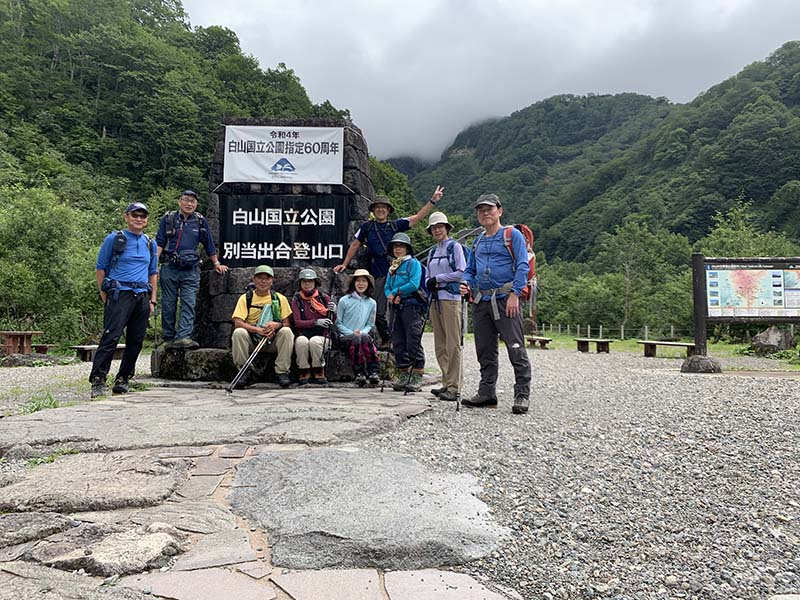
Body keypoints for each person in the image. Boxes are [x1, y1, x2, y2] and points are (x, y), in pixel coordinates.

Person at [333, 186, 444, 348]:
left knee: (386, 311)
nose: (380, 210)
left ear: (388, 210)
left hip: (393, 273)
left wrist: (433, 200)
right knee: (378, 310)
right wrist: (345, 263)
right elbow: (356, 244)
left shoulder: (394, 226)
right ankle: (387, 339)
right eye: (378, 207)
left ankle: (390, 342)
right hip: (374, 273)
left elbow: (417, 217)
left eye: (383, 208)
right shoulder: (367, 227)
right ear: (373, 210)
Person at [461, 193, 531, 414]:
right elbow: (470, 270)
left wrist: (515, 294)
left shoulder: (512, 235)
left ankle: (522, 395)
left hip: (505, 299)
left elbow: (522, 266)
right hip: (481, 301)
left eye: (489, 209)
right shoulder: (478, 241)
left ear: (499, 211)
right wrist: (465, 283)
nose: (485, 213)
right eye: (481, 210)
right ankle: (487, 393)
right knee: (485, 349)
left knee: (515, 347)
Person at [90, 202, 159, 398]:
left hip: (142, 296)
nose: (139, 219)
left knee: (136, 340)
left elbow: (153, 272)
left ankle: (123, 378)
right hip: (120, 294)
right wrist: (105, 295)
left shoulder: (149, 243)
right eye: (135, 215)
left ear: (146, 220)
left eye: (142, 216)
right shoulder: (114, 239)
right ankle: (98, 379)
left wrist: (152, 299)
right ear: (126, 217)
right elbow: (100, 268)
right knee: (111, 337)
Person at [156, 190, 228, 349]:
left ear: (196, 204)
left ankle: (183, 336)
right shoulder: (168, 219)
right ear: (179, 201)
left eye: (193, 202)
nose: (189, 204)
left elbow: (209, 244)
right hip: (169, 267)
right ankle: (168, 338)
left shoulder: (200, 221)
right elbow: (160, 242)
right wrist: (153, 264)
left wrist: (216, 263)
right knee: (169, 303)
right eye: (186, 200)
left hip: (191, 269)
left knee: (189, 302)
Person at [425, 212, 466, 402]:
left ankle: (455, 386)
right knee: (440, 343)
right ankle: (446, 382)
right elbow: (427, 275)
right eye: (434, 227)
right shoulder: (432, 252)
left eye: (440, 226)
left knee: (453, 343)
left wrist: (438, 279)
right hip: (435, 299)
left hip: (451, 298)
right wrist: (429, 282)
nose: (437, 230)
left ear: (447, 228)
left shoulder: (454, 247)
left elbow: (461, 272)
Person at [230, 265, 294, 388]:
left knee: (287, 332)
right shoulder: (246, 298)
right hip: (252, 340)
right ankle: (244, 370)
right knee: (239, 332)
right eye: (260, 278)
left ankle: (282, 372)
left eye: (267, 278)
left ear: (272, 281)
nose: (263, 281)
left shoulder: (280, 299)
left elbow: (287, 323)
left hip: (272, 340)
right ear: (254, 279)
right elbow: (238, 322)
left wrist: (277, 325)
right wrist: (257, 330)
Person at [385, 232, 426, 392]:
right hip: (396, 307)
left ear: (407, 248)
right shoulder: (393, 267)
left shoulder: (413, 264)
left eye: (401, 246)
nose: (398, 249)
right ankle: (403, 373)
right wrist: (389, 294)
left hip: (411, 306)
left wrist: (395, 292)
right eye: (395, 246)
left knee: (413, 339)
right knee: (398, 340)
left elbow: (414, 284)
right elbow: (387, 286)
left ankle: (416, 374)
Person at [291, 268, 336, 386]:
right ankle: (304, 371)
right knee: (301, 341)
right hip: (304, 333)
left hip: (323, 336)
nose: (307, 284)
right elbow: (297, 322)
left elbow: (332, 321)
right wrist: (315, 322)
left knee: (315, 341)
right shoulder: (297, 300)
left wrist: (333, 312)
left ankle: (318, 370)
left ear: (315, 283)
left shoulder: (324, 298)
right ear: (300, 283)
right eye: (304, 281)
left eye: (310, 281)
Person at [335, 269, 380, 386]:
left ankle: (373, 371)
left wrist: (362, 332)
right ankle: (359, 372)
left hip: (362, 334)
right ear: (353, 283)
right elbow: (338, 323)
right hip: (345, 337)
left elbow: (370, 324)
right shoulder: (344, 301)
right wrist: (351, 332)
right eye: (358, 281)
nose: (361, 284)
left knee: (365, 338)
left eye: (364, 281)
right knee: (356, 338)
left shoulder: (372, 303)